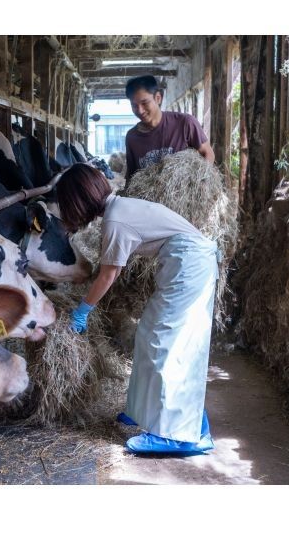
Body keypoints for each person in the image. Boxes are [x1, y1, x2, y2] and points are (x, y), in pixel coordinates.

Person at [55, 163, 218, 455]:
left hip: (189, 264)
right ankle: (144, 410)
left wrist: (82, 310)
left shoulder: (115, 221)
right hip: (185, 262)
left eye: (69, 206)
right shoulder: (119, 209)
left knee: (166, 343)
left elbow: (109, 274)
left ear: (79, 200)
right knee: (149, 335)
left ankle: (176, 435)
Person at [124, 74, 215, 186]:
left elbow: (207, 153)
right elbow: (131, 176)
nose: (140, 110)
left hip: (183, 196)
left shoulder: (185, 123)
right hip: (149, 201)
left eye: (144, 103)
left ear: (158, 98)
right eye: (134, 105)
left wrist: (199, 182)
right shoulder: (132, 137)